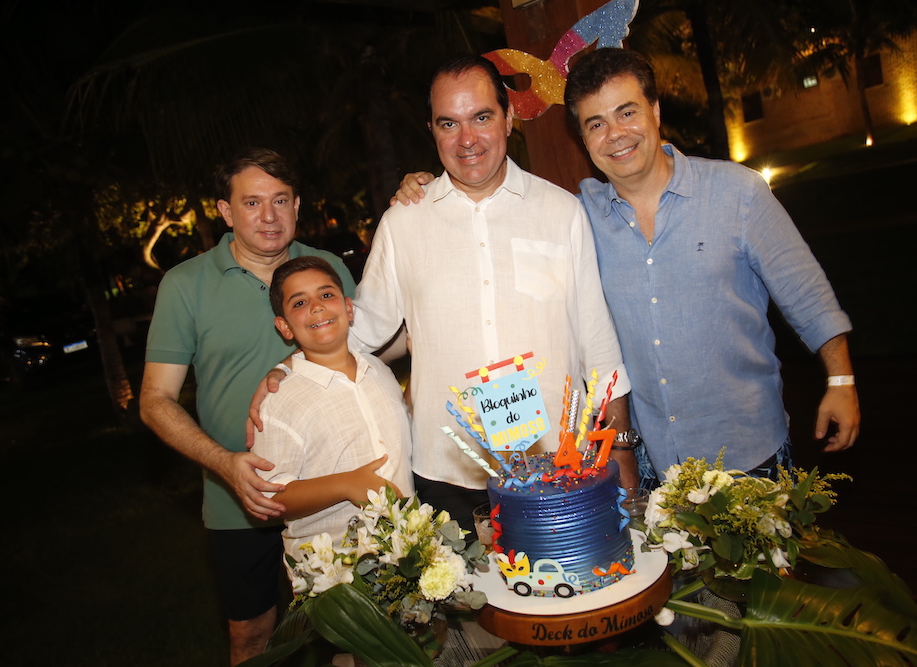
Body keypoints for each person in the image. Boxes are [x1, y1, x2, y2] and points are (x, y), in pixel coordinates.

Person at [395, 49, 860, 485]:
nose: (615, 134)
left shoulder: (738, 193)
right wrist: (429, 189)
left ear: (655, 111)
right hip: (651, 462)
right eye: (595, 123)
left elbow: (806, 293)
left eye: (627, 112)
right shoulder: (579, 217)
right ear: (582, 139)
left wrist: (841, 380)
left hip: (749, 450)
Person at [251, 55, 633, 533]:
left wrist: (622, 451)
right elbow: (360, 328)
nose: (466, 139)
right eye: (449, 123)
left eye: (482, 117)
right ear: (431, 130)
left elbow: (598, 343)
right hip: (449, 473)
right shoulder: (404, 223)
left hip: (559, 462)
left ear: (509, 119)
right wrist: (290, 369)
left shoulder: (561, 212)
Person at [139, 148, 355, 665]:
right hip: (241, 497)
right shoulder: (185, 285)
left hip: (334, 487)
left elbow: (365, 356)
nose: (269, 216)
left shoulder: (326, 270)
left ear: (297, 205)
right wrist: (224, 464)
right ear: (225, 211)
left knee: (356, 625)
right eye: (252, 202)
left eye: (280, 200)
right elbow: (154, 401)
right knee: (253, 637)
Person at [251, 256, 413, 562]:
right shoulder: (280, 401)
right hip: (336, 569)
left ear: (349, 309)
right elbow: (269, 495)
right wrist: (344, 484)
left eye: (326, 295)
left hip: (407, 549)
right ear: (285, 327)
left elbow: (401, 434)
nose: (317, 307)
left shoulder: (379, 371)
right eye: (300, 303)